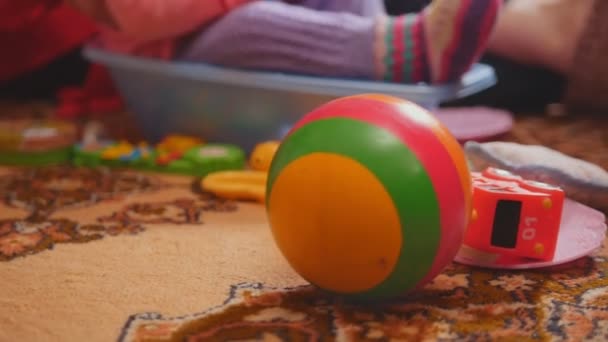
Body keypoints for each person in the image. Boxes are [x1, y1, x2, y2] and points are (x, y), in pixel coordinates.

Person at [68, 0, 502, 85]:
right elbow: (142, 14)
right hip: (176, 51)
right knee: (251, 26)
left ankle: (383, 85)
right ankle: (408, 54)